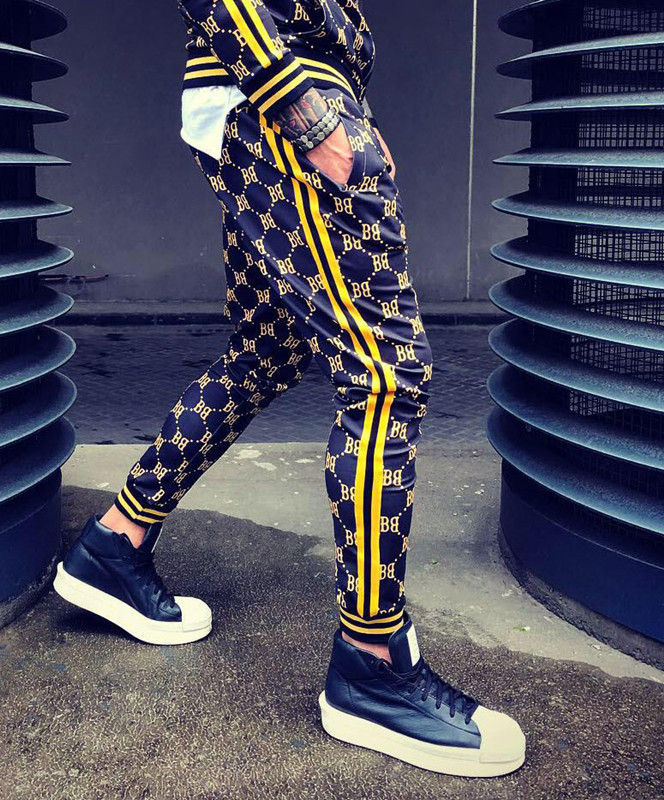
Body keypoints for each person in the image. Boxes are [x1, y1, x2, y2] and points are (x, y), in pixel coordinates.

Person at [53, 0, 526, 777]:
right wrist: (308, 111)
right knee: (384, 375)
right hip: (277, 97)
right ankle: (373, 665)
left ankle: (116, 541)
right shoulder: (292, 103)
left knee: (266, 352)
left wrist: (349, 105)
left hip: (267, 96)